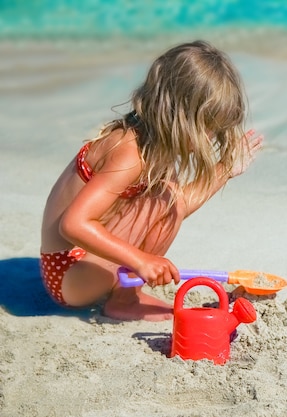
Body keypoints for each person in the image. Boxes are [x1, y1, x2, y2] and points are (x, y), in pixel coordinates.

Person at [39, 40, 264, 321]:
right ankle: (125, 300)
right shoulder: (130, 153)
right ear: (178, 116)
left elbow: (174, 209)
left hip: (79, 267)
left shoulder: (149, 145)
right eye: (207, 128)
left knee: (167, 198)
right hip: (69, 276)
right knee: (165, 197)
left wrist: (225, 170)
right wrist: (140, 260)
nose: (208, 139)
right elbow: (73, 223)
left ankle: (124, 295)